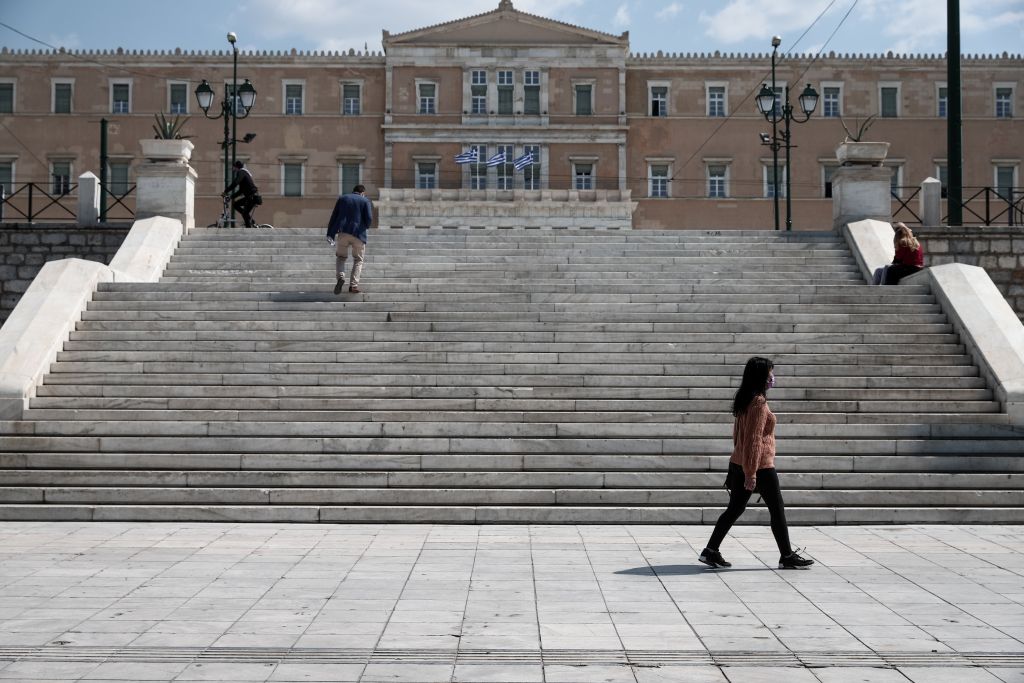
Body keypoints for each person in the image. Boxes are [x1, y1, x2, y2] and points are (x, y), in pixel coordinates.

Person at [699, 357, 814, 570]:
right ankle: (787, 556)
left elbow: (738, 436)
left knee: (734, 509)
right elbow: (753, 439)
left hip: (739, 462)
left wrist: (741, 463)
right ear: (762, 376)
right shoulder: (758, 402)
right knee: (777, 510)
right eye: (770, 373)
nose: (773, 377)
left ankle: (710, 550)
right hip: (759, 466)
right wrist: (751, 473)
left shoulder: (745, 399)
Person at [327, 184, 373, 294]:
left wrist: (330, 233)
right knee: (358, 259)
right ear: (362, 193)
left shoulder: (343, 198)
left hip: (343, 232)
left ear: (353, 191)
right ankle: (353, 286)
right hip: (358, 234)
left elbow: (334, 216)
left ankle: (340, 277)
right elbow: (369, 218)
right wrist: (365, 226)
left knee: (341, 257)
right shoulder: (364, 200)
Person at [223, 160, 259, 228]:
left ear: (236, 167)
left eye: (233, 167)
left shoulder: (241, 172)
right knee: (236, 204)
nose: (232, 169)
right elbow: (241, 191)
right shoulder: (244, 173)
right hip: (250, 197)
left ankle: (249, 228)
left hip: (252, 197)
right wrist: (231, 197)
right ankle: (250, 220)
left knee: (245, 213)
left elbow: (235, 183)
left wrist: (226, 191)